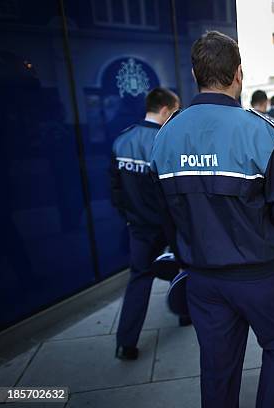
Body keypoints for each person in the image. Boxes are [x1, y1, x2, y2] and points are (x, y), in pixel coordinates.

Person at [149, 31, 274, 408]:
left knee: (217, 366)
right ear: (239, 74)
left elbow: (165, 215)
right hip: (259, 278)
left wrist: (185, 257)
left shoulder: (165, 136)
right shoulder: (264, 134)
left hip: (203, 279)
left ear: (195, 74)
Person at [110, 87, 181, 360]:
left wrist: (128, 217)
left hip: (139, 226)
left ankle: (125, 343)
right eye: (175, 110)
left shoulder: (122, 139)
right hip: (168, 226)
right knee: (182, 269)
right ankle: (184, 315)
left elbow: (115, 188)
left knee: (139, 279)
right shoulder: (167, 141)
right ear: (165, 109)